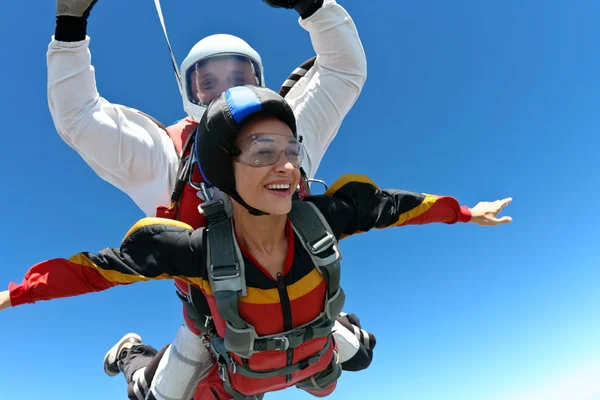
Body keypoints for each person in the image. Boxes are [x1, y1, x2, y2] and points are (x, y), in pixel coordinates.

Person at [1, 86, 513, 399]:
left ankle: (337, 329)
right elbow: (92, 271)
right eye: (263, 151)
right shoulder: (193, 250)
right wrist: (12, 294)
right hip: (230, 350)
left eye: (291, 149)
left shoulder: (327, 216)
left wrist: (466, 213)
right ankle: (134, 354)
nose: (286, 165)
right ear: (225, 168)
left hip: (305, 335)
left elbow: (400, 207)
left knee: (359, 359)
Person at [49, 0, 372, 397]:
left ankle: (346, 329)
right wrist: (70, 25)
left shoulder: (290, 132)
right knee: (148, 395)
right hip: (213, 326)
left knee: (360, 356)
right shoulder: (165, 158)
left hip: (301, 302)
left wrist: (314, 6)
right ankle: (132, 354)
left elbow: (342, 70)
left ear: (259, 81)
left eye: (240, 76)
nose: (227, 91)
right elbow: (79, 118)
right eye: (209, 82)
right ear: (190, 92)